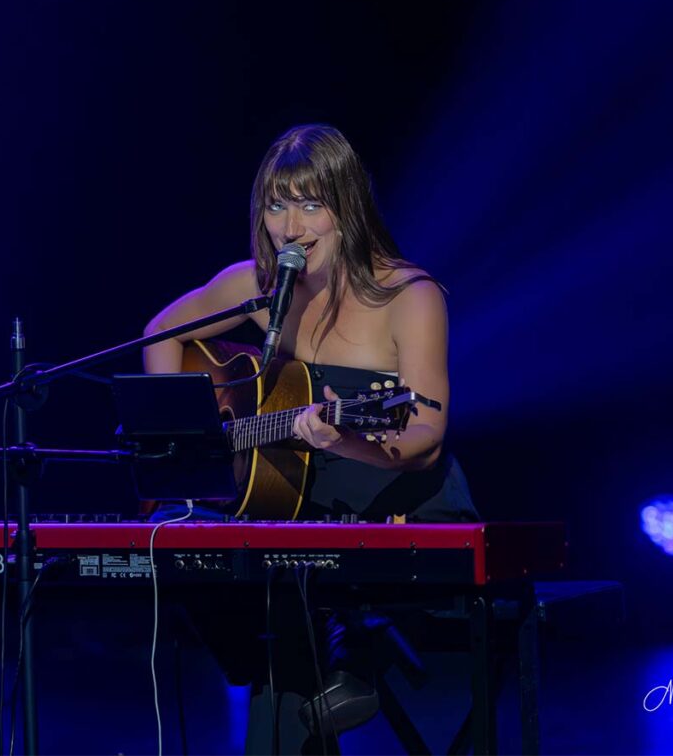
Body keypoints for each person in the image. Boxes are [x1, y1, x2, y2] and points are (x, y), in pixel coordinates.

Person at [143, 124, 478, 753]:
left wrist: (341, 441)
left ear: (345, 207)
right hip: (299, 513)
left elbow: (427, 433)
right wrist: (188, 441)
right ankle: (339, 654)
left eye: (310, 204)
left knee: (287, 604)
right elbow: (162, 333)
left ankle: (351, 649)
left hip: (403, 509)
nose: (291, 226)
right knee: (175, 537)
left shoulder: (410, 295)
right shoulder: (258, 288)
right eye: (276, 205)